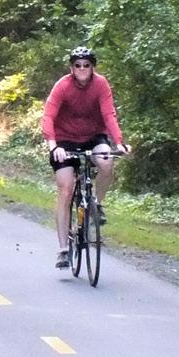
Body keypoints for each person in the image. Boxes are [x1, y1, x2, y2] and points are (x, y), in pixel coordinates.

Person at [42, 45, 129, 268]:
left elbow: (109, 114)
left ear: (92, 68)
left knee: (106, 162)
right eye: (78, 65)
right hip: (64, 140)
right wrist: (53, 145)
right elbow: (48, 116)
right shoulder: (62, 86)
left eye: (86, 65)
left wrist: (119, 142)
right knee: (66, 188)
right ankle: (63, 249)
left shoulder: (100, 84)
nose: (82, 68)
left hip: (93, 136)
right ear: (72, 68)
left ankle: (95, 205)